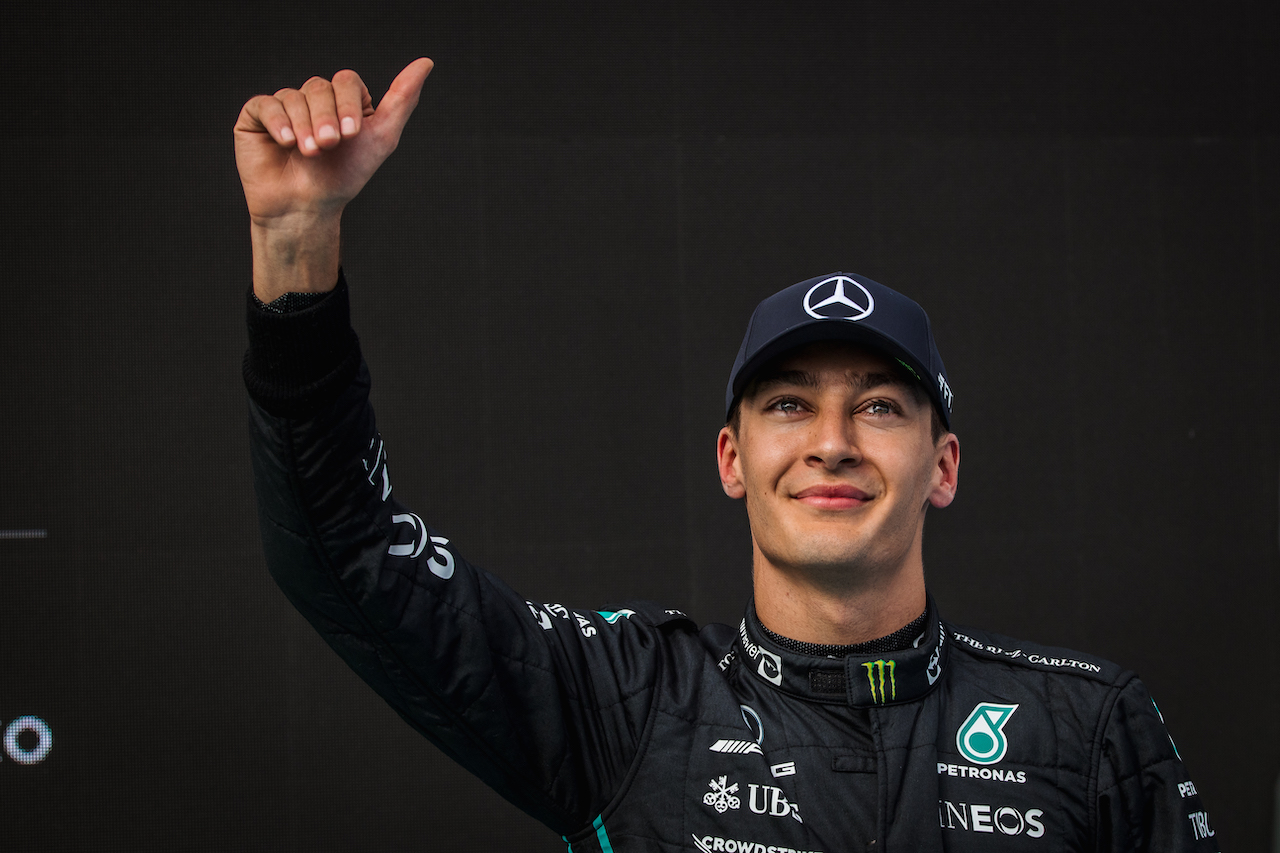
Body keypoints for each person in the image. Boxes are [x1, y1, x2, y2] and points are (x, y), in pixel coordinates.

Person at [235, 59, 1220, 852]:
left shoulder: (1086, 725)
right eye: (788, 405)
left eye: (878, 407)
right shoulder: (624, 701)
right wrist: (294, 242)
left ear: (944, 464)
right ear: (731, 458)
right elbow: (341, 550)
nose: (830, 443)